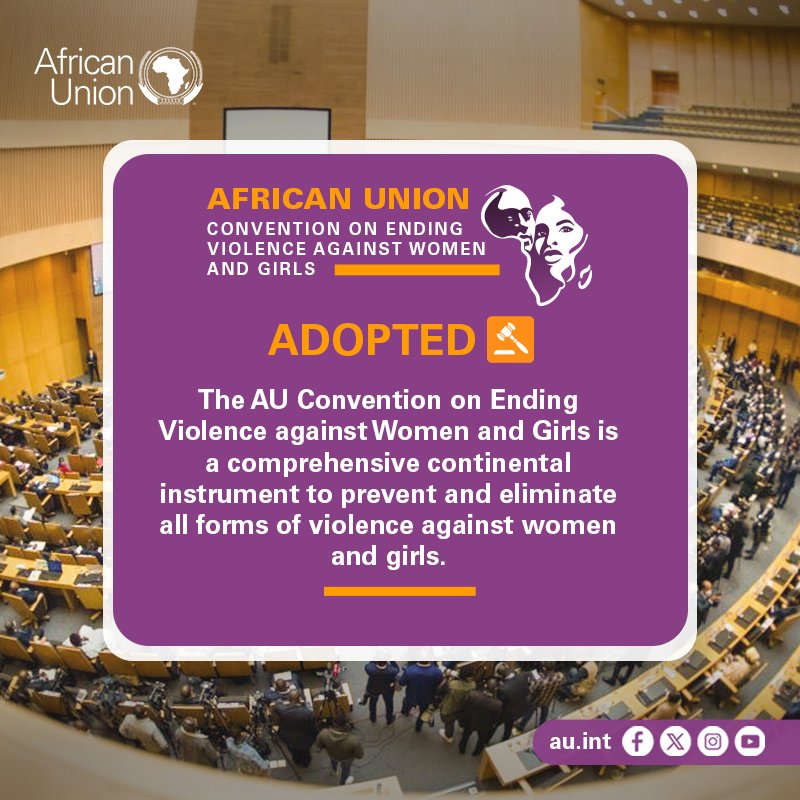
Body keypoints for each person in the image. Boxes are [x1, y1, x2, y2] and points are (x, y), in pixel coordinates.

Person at [314, 715, 364, 786]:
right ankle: (342, 783)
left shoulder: (323, 733)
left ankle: (334, 771)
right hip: (346, 759)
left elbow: (318, 747)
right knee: (345, 771)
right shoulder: (353, 741)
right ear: (346, 726)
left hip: (332, 755)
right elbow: (359, 756)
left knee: (333, 761)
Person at [457, 680, 502, 756]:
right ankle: (477, 752)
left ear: (485, 685)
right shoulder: (497, 704)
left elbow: (463, 706)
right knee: (481, 739)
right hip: (484, 725)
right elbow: (495, 719)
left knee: (465, 736)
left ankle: (462, 749)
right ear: (495, 689)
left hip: (470, 720)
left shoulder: (472, 695)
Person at [273, 689, 317, 766]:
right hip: (305, 739)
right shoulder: (308, 713)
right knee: (305, 753)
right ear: (299, 699)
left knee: (294, 751)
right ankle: (306, 763)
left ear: (289, 699)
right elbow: (313, 727)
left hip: (289, 738)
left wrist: (279, 702)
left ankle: (297, 761)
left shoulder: (282, 711)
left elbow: (277, 706)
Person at [399, 661, 443, 733]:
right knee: (423, 713)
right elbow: (439, 684)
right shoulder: (437, 672)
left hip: (411, 696)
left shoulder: (409, 670)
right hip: (427, 698)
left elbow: (401, 682)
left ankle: (405, 712)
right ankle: (418, 727)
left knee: (407, 703)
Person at [438, 666, 476, 743]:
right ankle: (461, 727)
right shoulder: (473, 685)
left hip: (450, 707)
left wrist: (446, 678)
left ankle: (448, 736)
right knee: (461, 718)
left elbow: (440, 690)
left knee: (449, 723)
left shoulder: (452, 684)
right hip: (463, 707)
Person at [497, 665, 534, 740]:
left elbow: (500, 702)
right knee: (508, 730)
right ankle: (504, 740)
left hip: (507, 713)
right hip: (519, 709)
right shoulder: (523, 675)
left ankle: (487, 739)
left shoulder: (503, 689)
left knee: (495, 726)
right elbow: (533, 674)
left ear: (500, 675)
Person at [363, 661, 399, 725]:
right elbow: (397, 669)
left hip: (374, 689)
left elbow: (369, 664)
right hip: (387, 690)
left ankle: (373, 718)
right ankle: (389, 719)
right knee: (389, 704)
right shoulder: (392, 671)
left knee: (372, 703)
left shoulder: (370, 669)